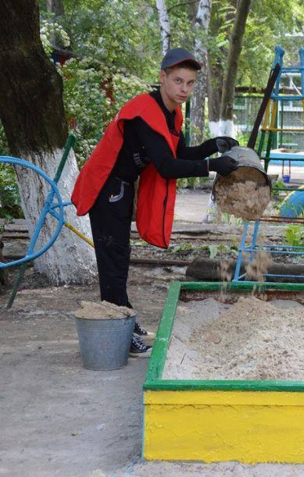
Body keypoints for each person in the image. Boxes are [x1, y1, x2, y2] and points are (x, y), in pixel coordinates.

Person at [71, 48, 240, 358]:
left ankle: (125, 318)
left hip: (121, 187)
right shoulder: (144, 112)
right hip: (106, 186)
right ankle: (119, 334)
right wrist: (213, 166)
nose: (184, 90)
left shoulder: (171, 113)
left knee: (119, 258)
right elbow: (165, 166)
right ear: (162, 78)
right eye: (178, 81)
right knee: (114, 261)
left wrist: (211, 147)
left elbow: (179, 154)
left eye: (190, 83)